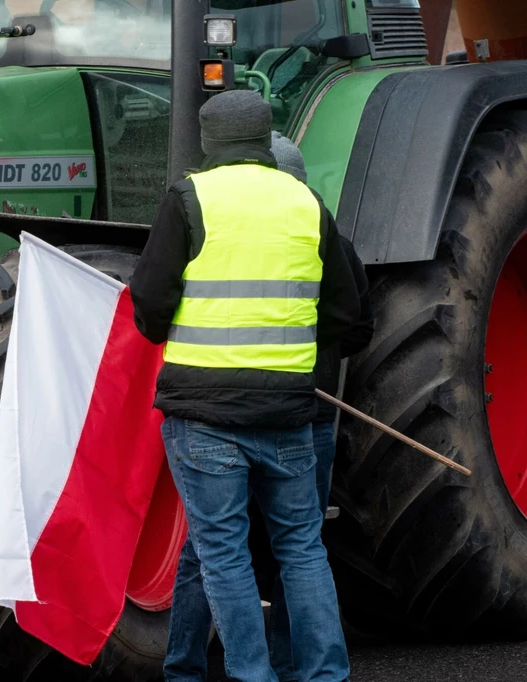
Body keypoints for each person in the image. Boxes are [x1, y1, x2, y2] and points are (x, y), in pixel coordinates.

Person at [130, 90, 360, 682]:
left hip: (204, 417)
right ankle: (326, 675)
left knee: (222, 556)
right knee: (303, 550)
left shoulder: (188, 197)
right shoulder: (305, 202)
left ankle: (251, 676)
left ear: (209, 142)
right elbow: (344, 314)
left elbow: (150, 301)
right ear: (264, 138)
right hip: (287, 413)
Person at [265, 131, 375, 682]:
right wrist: (319, 346)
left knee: (221, 549)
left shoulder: (241, 239)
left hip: (246, 419)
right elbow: (359, 328)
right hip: (312, 419)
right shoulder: (332, 238)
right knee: (302, 548)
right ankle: (299, 665)